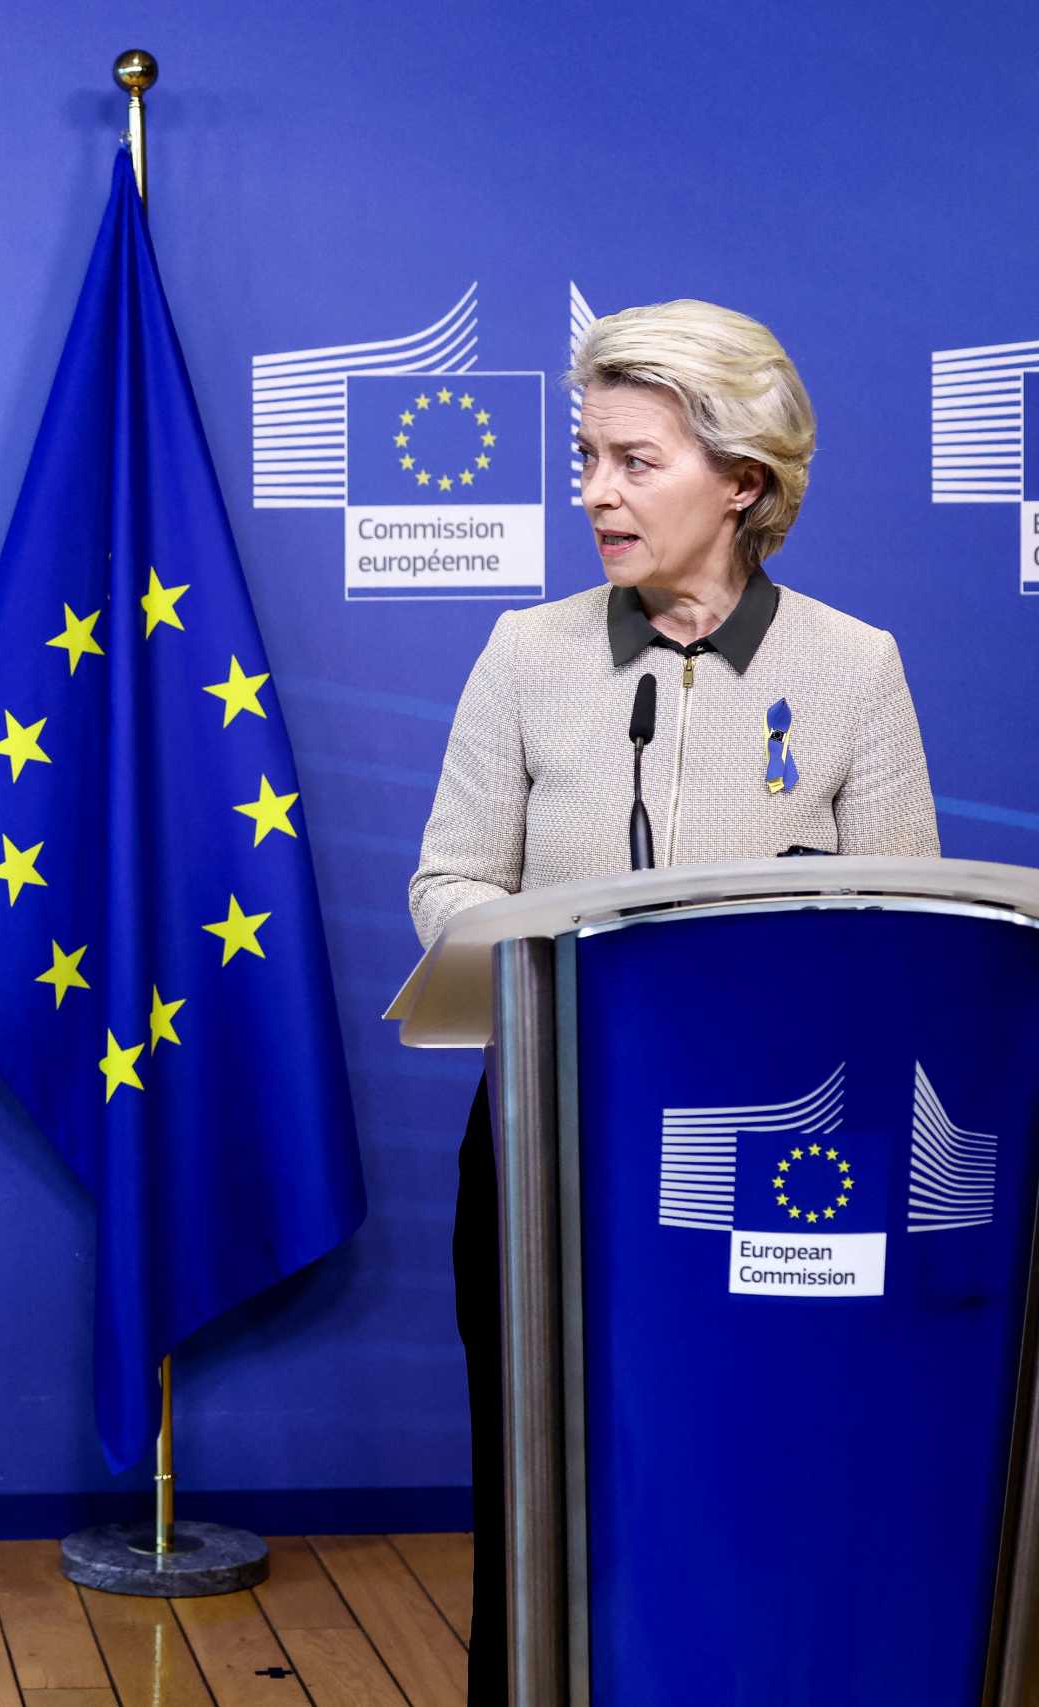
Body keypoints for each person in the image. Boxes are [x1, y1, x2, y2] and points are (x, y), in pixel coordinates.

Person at [409, 298, 939, 1701]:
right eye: (586, 457)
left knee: (749, 1467)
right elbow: (450, 881)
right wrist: (554, 947)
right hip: (546, 1138)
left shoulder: (852, 668)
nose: (594, 490)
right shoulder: (527, 655)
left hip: (772, 1161)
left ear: (744, 480)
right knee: (543, 1476)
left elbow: (908, 930)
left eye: (635, 461)